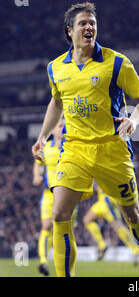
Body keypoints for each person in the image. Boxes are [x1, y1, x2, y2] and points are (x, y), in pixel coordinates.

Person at [32, 2, 139, 277]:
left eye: (92, 23)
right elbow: (56, 103)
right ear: (70, 31)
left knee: (132, 216)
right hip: (75, 149)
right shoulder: (55, 68)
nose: (89, 27)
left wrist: (133, 120)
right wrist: (43, 136)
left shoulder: (116, 62)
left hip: (112, 150)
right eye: (83, 23)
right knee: (59, 215)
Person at [32, 118, 66, 276]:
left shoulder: (71, 147)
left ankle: (63, 267)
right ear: (53, 129)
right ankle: (43, 262)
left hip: (67, 196)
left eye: (64, 126)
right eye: (59, 125)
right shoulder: (46, 148)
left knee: (60, 229)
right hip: (48, 195)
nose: (62, 128)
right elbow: (37, 163)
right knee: (46, 226)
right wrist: (37, 175)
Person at [83, 184, 139, 264]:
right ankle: (102, 245)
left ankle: (136, 250)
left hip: (108, 201)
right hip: (101, 202)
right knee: (87, 220)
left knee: (118, 228)